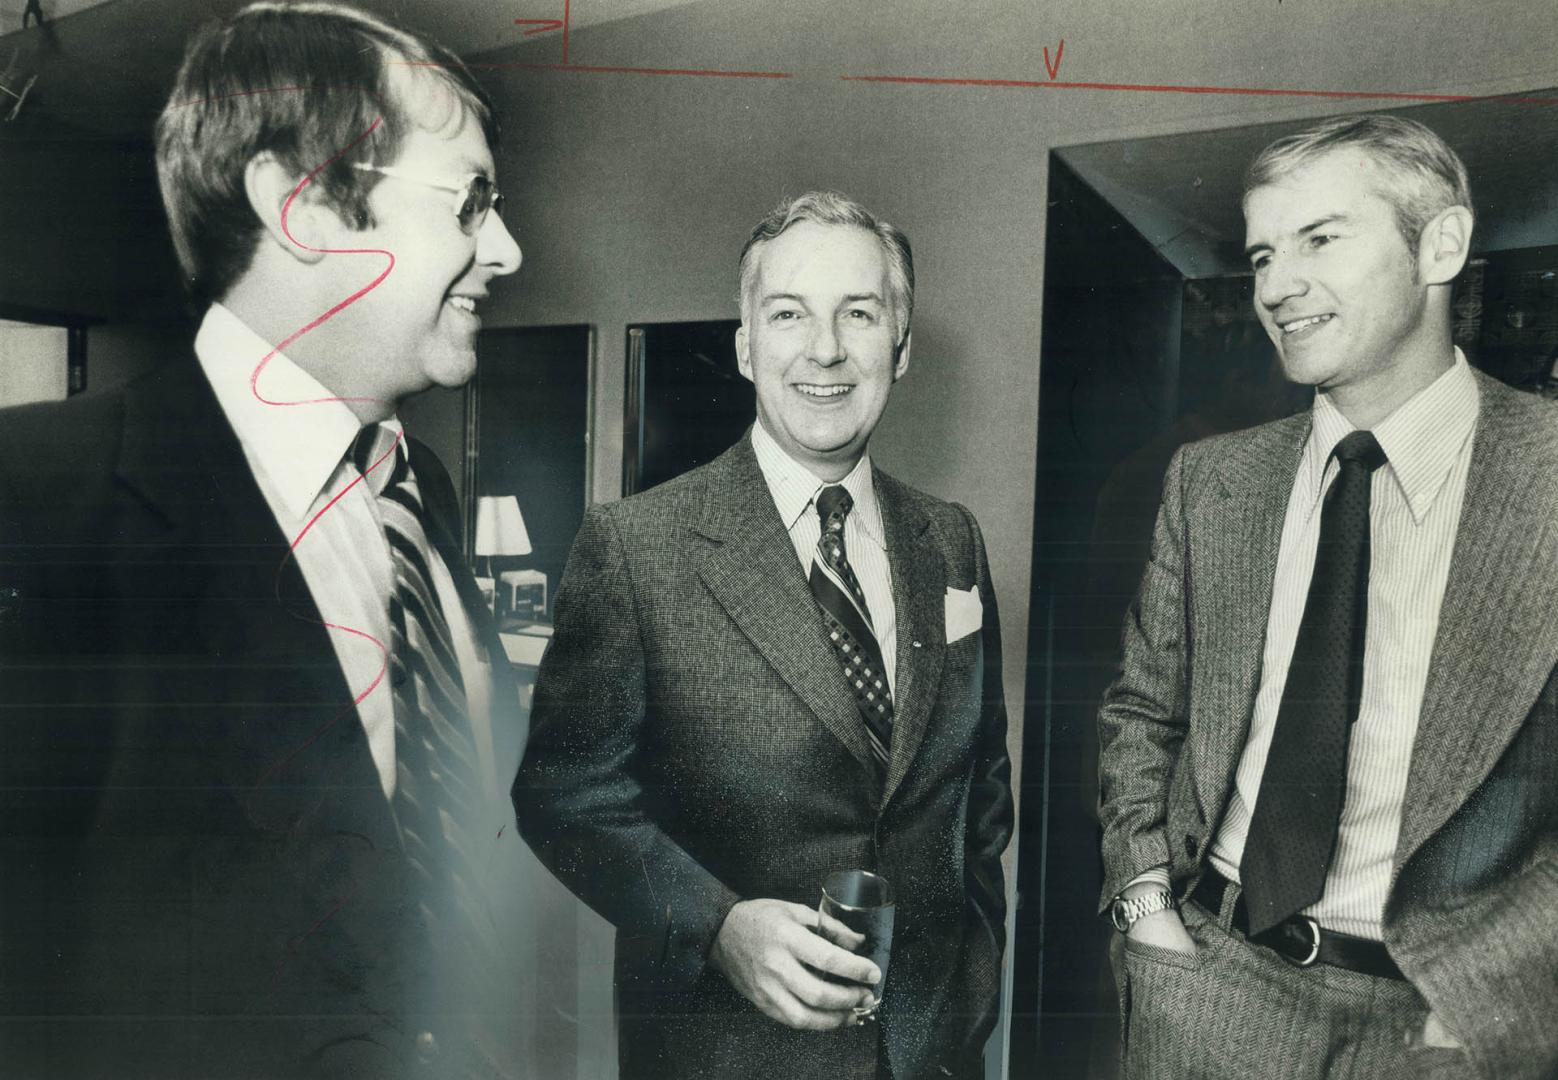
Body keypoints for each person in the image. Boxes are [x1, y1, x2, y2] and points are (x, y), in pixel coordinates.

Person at [0, 3, 525, 1076]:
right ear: (305, 208)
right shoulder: (35, 505)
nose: (506, 250)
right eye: (470, 202)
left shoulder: (416, 490)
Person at [1097, 112, 1558, 1080]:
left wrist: (1486, 995)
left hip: (1447, 1031)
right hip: (1210, 989)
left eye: (1319, 240)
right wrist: (1147, 909)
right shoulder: (1207, 483)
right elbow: (1143, 712)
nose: (1275, 287)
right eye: (1263, 253)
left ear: (1440, 244)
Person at [514, 191, 1014, 1080]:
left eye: (858, 314)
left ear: (900, 347)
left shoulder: (952, 541)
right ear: (746, 345)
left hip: (927, 1057)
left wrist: (966, 1006)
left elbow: (978, 801)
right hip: (724, 1056)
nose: (825, 349)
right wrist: (717, 927)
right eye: (789, 314)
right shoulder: (638, 549)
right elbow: (564, 799)